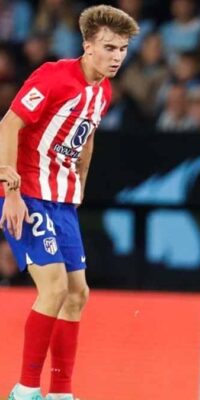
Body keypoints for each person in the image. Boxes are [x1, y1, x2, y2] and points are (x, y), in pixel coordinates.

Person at [0, 5, 139, 400]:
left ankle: (60, 392)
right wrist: (10, 191)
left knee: (78, 294)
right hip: (28, 191)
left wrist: (79, 188)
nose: (116, 57)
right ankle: (25, 390)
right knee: (55, 288)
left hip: (61, 199)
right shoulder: (53, 76)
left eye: (122, 49)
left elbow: (86, 138)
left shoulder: (104, 91)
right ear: (87, 46)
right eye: (109, 48)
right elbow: (8, 124)